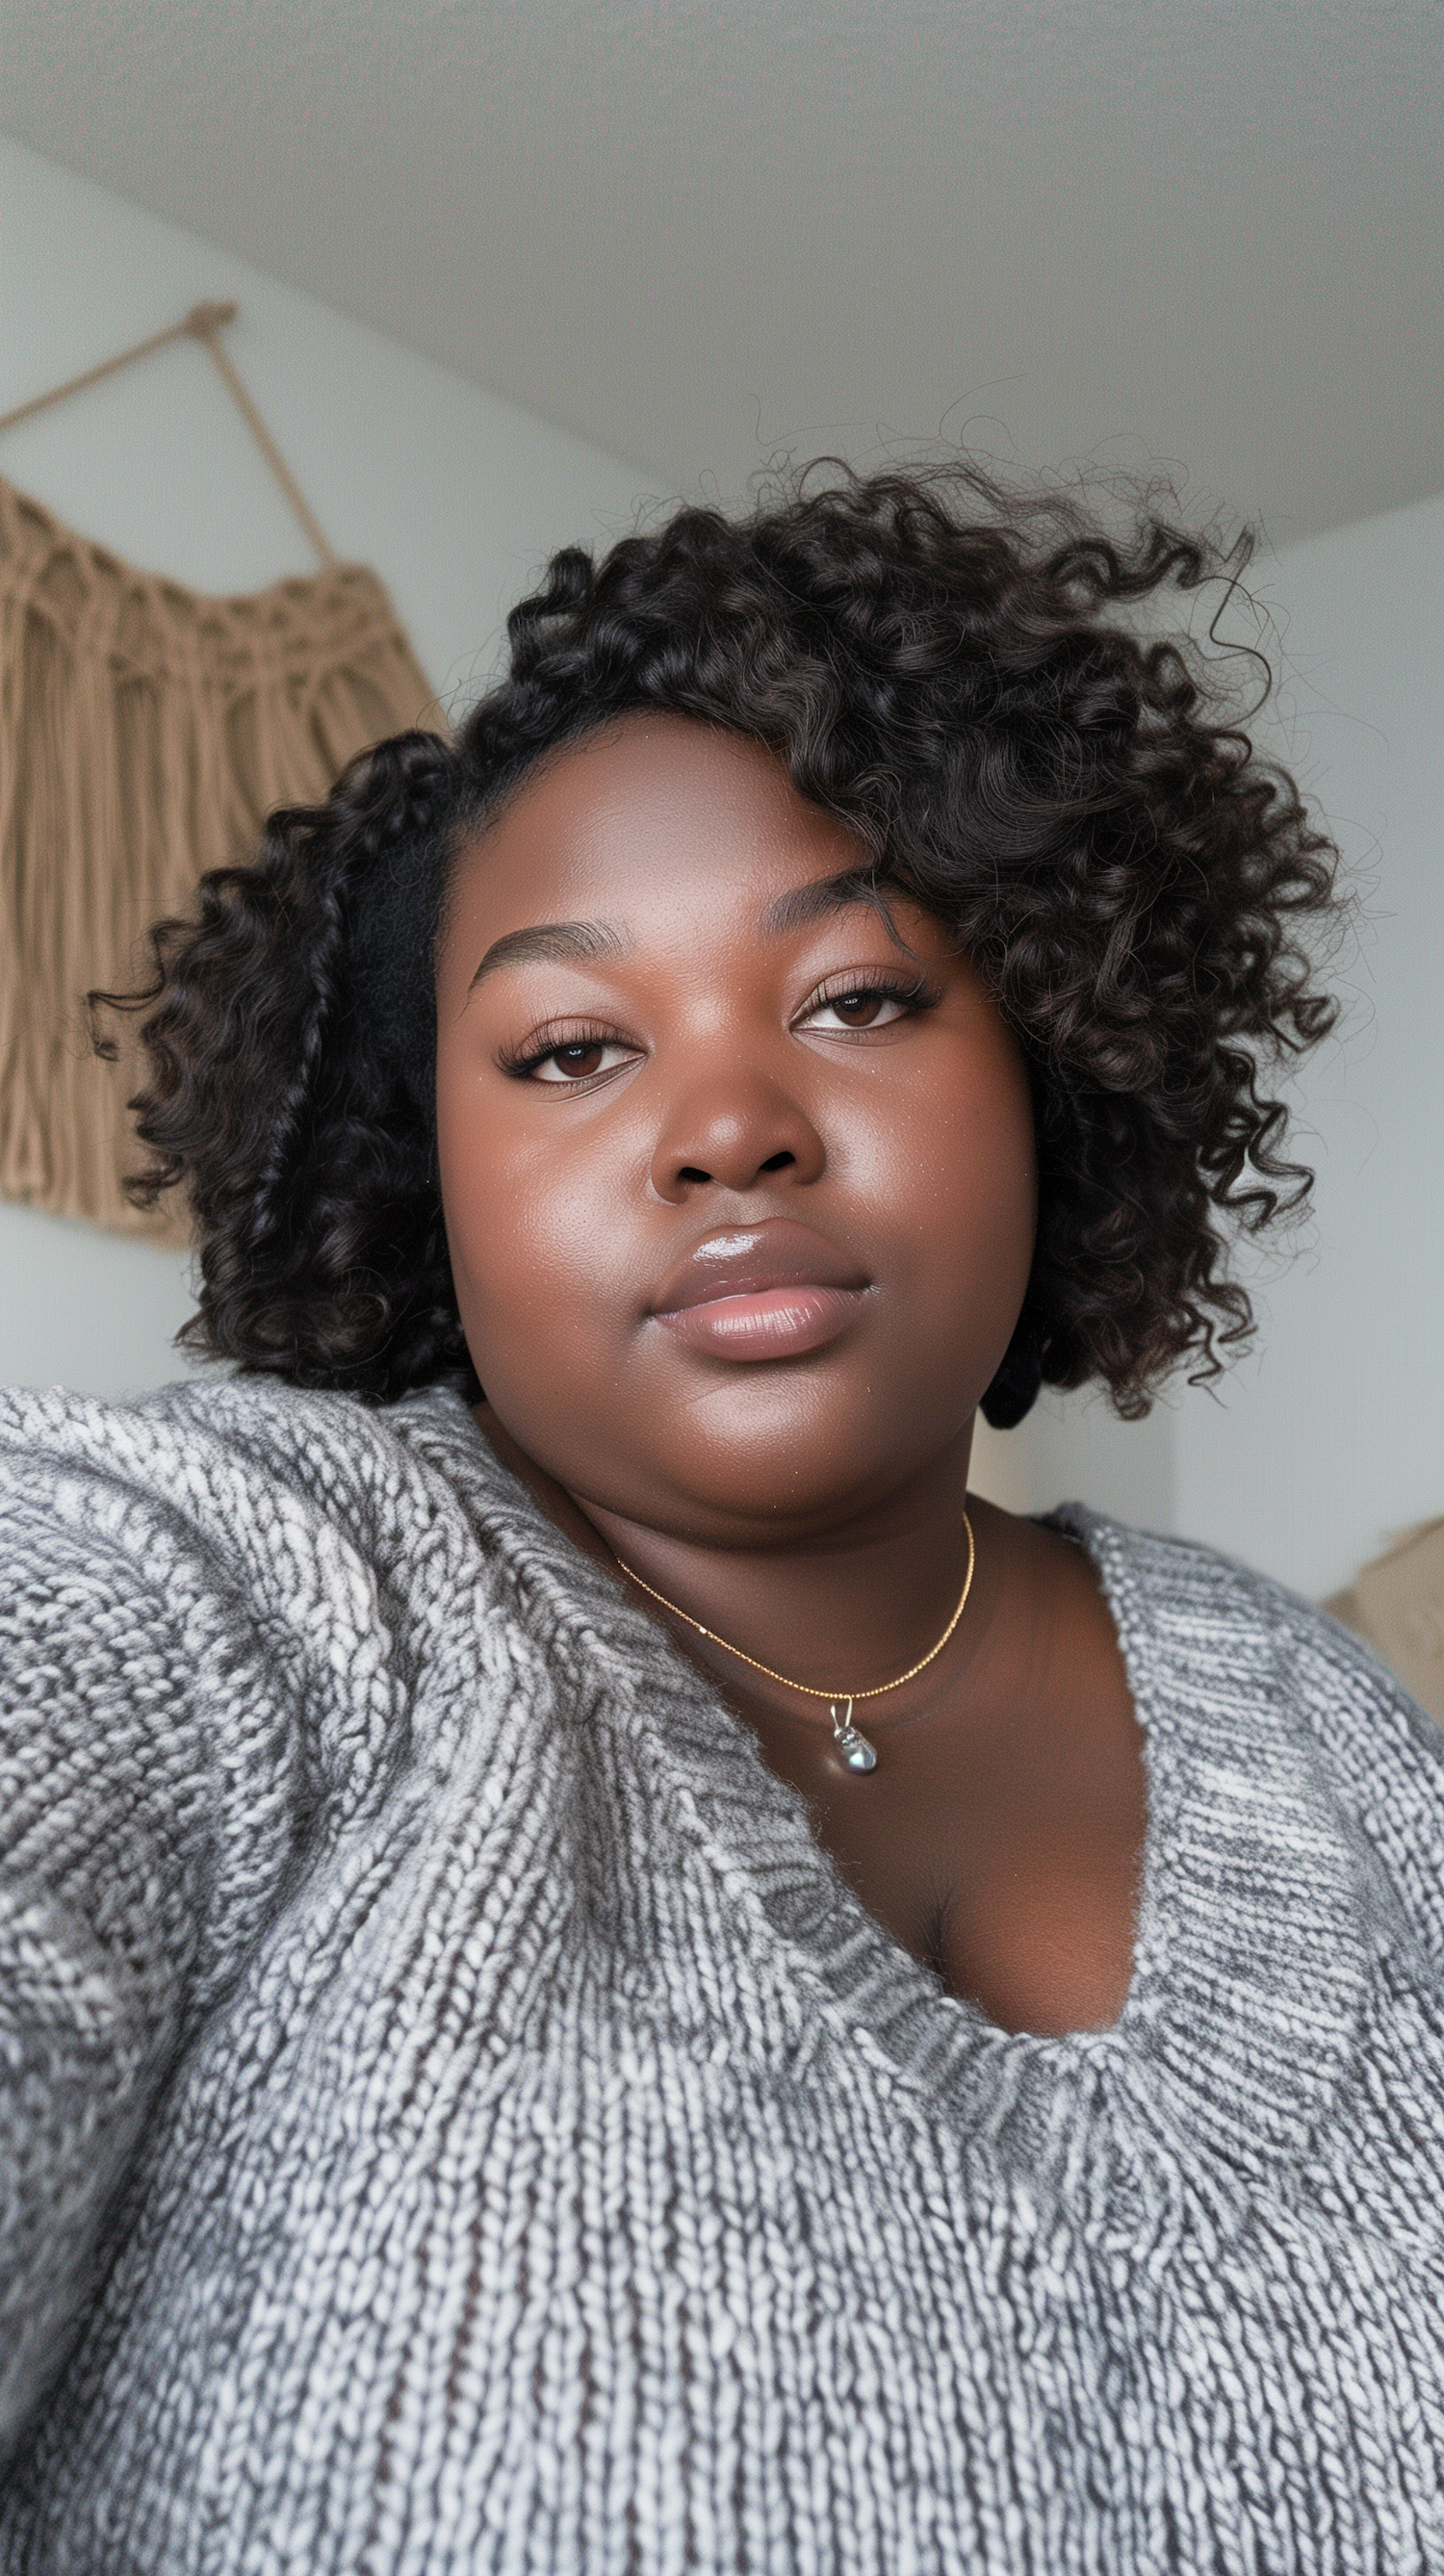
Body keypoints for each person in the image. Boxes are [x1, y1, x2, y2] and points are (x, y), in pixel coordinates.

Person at [2, 464, 1441, 2573]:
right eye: (572, 1048)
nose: (729, 1129)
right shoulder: (223, 1585)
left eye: (856, 1001)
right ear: (432, 1179)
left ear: (1052, 1067)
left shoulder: (1332, 1735)